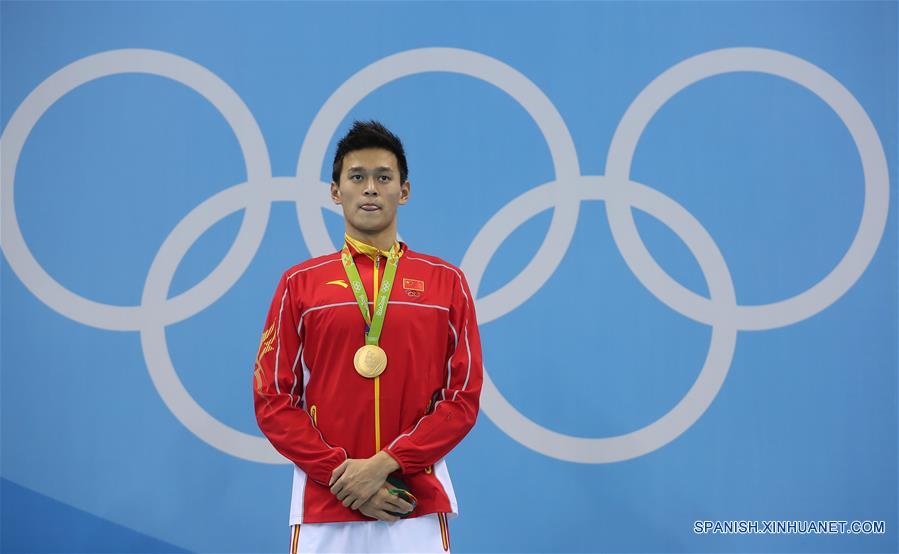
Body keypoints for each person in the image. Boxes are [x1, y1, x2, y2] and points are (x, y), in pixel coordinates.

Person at [253, 120, 483, 553]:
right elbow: (272, 400)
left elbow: (462, 400)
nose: (371, 189)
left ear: (405, 190)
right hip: (326, 503)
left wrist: (386, 465)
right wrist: (341, 475)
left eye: (383, 177)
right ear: (336, 191)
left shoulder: (446, 283)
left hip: (411, 499)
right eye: (357, 177)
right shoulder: (298, 284)